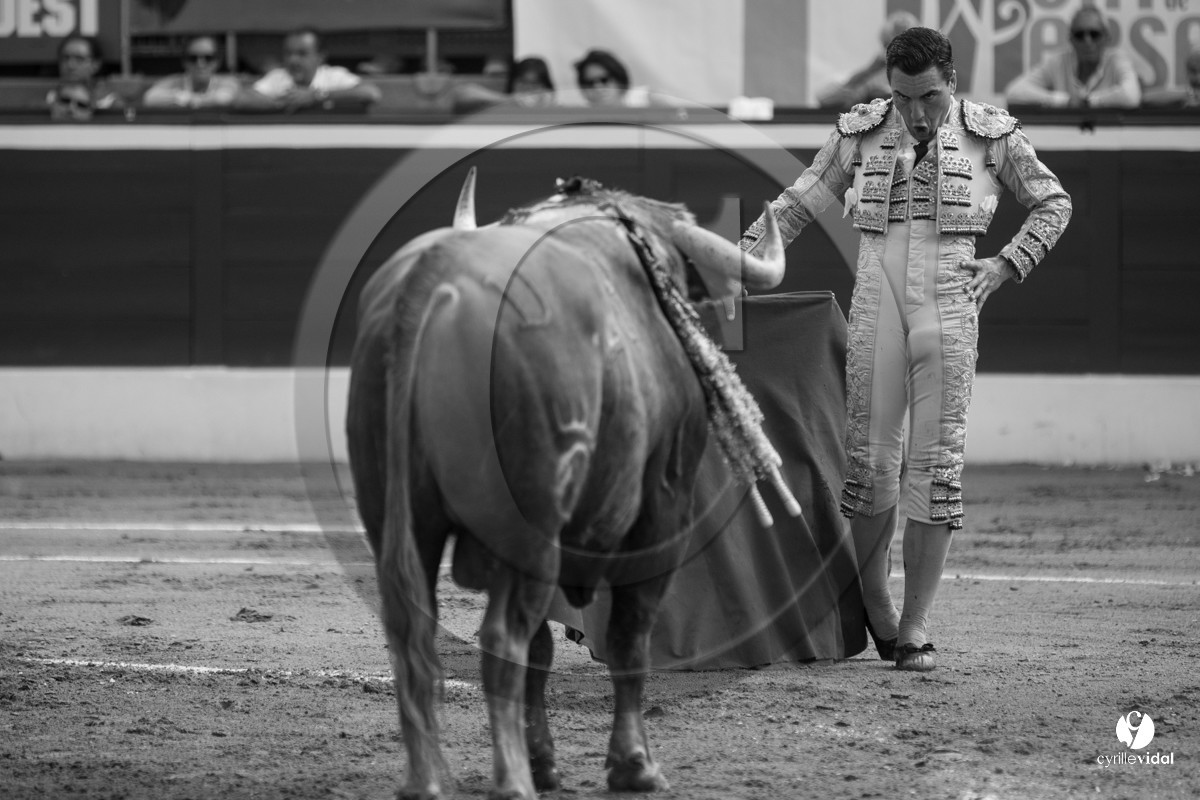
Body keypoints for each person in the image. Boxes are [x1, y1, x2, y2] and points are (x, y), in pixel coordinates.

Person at [738, 27, 1072, 671]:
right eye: (902, 97)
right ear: (888, 87)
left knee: (935, 467)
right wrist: (738, 256)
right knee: (868, 466)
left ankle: (916, 625)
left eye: (929, 98)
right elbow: (798, 203)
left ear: (951, 82)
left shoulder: (991, 134)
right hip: (875, 305)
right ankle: (881, 611)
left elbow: (1053, 203)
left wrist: (1006, 264)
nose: (916, 114)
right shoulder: (862, 130)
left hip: (951, 302)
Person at [1006, 5, 1140, 108]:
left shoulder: (1117, 59)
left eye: (1094, 34)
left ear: (1107, 38)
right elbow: (1014, 92)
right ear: (1071, 39)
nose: (1088, 41)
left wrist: (1089, 102)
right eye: (1079, 35)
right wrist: (1064, 100)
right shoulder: (1057, 62)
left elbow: (1131, 96)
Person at [236, 28, 381, 112]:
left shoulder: (333, 76)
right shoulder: (278, 77)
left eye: (302, 54)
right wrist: (282, 103)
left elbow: (370, 93)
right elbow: (242, 99)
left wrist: (316, 96)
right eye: (288, 53)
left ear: (320, 57)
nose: (293, 60)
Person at [817, 11, 919, 109]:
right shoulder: (874, 76)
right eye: (891, 45)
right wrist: (869, 71)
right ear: (884, 45)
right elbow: (824, 98)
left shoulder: (925, 74)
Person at [141, 35, 240, 110]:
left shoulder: (227, 82)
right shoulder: (175, 81)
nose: (200, 64)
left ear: (217, 62)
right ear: (184, 62)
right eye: (193, 58)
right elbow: (150, 98)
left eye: (208, 58)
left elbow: (224, 99)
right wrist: (179, 97)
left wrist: (188, 99)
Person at [46, 35, 123, 121]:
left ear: (96, 64)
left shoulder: (113, 104)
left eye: (79, 59)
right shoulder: (46, 97)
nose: (70, 65)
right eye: (66, 58)